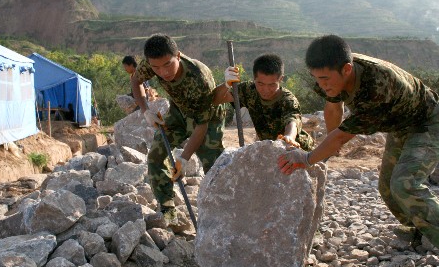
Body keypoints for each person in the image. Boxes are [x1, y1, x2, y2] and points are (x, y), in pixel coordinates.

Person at [277, 34, 439, 267]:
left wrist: (308, 157)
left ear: (346, 69)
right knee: (386, 188)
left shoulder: (376, 87)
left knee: (404, 184)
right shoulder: (335, 75)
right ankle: (422, 229)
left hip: (430, 123)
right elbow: (333, 107)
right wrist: (328, 146)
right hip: (401, 125)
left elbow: (342, 136)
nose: (322, 85)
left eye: (325, 79)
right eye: (317, 79)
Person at [131, 33, 226, 222]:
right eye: (156, 67)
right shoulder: (152, 64)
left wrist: (183, 159)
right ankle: (167, 208)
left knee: (214, 166)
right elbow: (135, 81)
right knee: (156, 156)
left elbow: (201, 126)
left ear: (179, 56)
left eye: (168, 64)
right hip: (179, 110)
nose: (163, 72)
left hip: (207, 117)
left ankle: (222, 213)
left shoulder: (199, 78)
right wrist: (145, 111)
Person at [213, 53, 314, 151]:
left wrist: (289, 137)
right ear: (254, 78)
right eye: (260, 84)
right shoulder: (249, 90)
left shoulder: (288, 100)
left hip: (298, 149)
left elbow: (292, 122)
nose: (265, 89)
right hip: (271, 150)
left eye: (272, 85)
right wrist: (226, 84)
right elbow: (216, 99)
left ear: (281, 79)